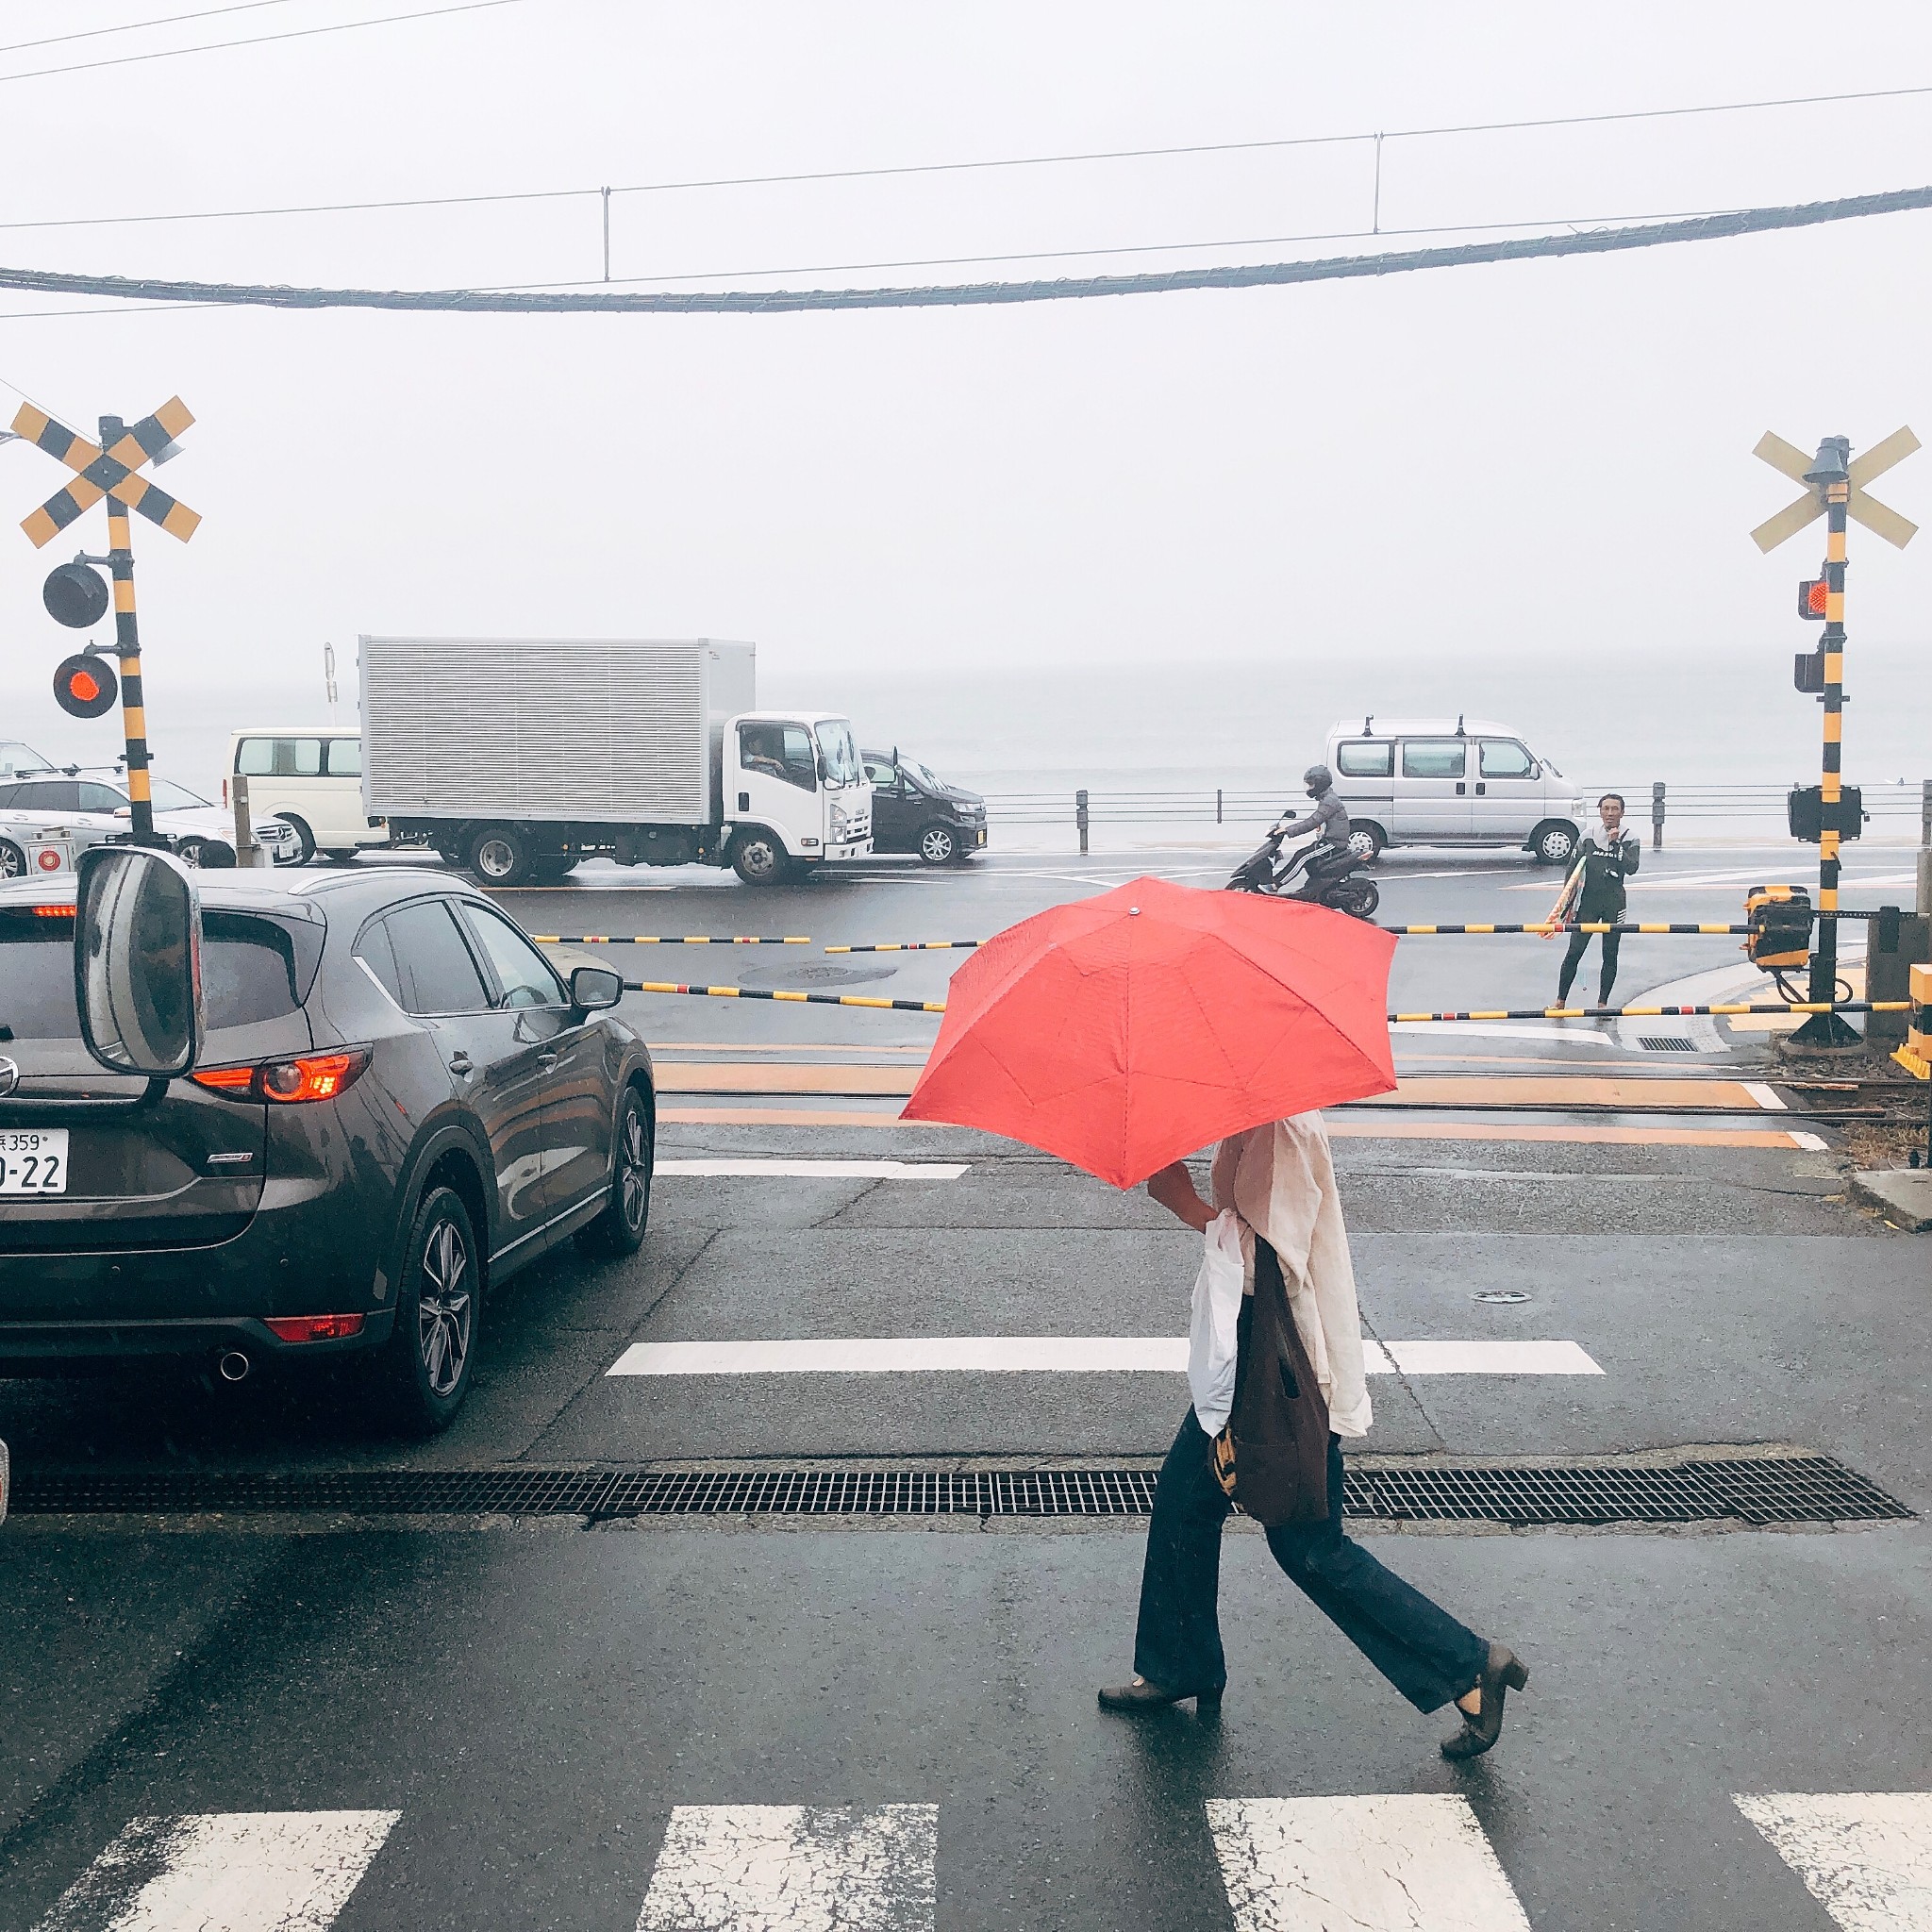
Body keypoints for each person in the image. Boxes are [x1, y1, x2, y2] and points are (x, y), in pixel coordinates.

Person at [1099, 1115, 1530, 1760]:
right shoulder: (1257, 1118)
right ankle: (1177, 1663)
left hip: (1284, 1371)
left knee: (1310, 1547)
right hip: (1257, 1355)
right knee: (1185, 1503)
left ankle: (1469, 1666)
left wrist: (1183, 1202)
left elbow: (1273, 1261)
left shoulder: (1283, 1131)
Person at [1556, 793, 1641, 1008]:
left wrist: (1616, 845)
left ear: (1622, 812)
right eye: (1606, 809)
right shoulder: (1587, 835)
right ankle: (1560, 1001)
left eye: (1615, 809)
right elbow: (1572, 870)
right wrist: (1568, 905)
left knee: (1610, 953)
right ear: (1600, 811)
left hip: (1614, 902)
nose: (1610, 813)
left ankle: (1602, 1003)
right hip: (1588, 903)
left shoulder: (1631, 837)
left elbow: (1631, 868)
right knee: (1575, 950)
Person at [1275, 763, 1351, 851]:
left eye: (1311, 785)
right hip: (1330, 841)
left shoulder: (1329, 801)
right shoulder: (1327, 798)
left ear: (1320, 784)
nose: (1309, 788)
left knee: (1301, 858)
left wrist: (1287, 830)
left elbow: (1312, 822)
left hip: (1334, 844)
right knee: (1301, 855)